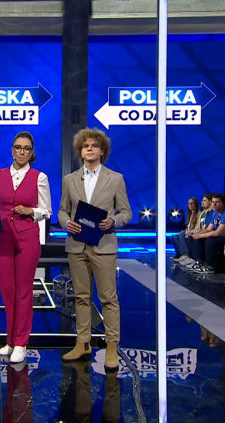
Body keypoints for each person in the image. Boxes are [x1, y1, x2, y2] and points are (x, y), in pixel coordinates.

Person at [57, 128, 132, 370]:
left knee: (108, 298)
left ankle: (111, 346)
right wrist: (65, 223)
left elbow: (126, 212)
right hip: (77, 246)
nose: (89, 149)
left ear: (102, 151)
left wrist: (113, 221)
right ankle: (83, 343)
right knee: (81, 297)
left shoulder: (115, 179)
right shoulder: (70, 180)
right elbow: (62, 211)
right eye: (85, 146)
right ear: (80, 151)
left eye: (94, 146)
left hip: (104, 245)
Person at [0, 131, 51, 364]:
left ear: (32, 153)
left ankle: (21, 342)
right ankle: (11, 340)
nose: (22, 152)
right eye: (18, 147)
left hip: (27, 239)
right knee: (7, 292)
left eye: (27, 148)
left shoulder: (40, 177)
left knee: (24, 291)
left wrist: (31, 211)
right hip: (3, 239)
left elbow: (47, 210)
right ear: (12, 150)